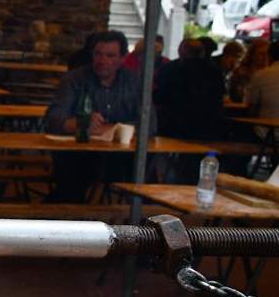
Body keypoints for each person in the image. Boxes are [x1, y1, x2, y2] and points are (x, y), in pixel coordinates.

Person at [43, 30, 145, 202]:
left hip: (121, 158)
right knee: (72, 181)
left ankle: (142, 225)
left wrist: (115, 129)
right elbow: (52, 120)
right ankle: (66, 219)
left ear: (122, 59)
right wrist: (78, 123)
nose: (102, 60)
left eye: (110, 55)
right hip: (79, 156)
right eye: (98, 54)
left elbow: (150, 125)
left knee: (146, 178)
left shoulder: (134, 82)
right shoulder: (74, 79)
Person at [155, 38, 228, 181]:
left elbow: (159, 97)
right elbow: (220, 97)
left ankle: (170, 178)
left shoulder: (171, 69)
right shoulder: (214, 71)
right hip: (208, 129)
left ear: (181, 51)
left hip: (173, 128)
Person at [245, 38, 279, 119]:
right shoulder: (245, 72)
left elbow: (251, 107)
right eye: (261, 54)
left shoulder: (260, 75)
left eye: (265, 54)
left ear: (270, 56)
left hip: (266, 128)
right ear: (252, 56)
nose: (264, 58)